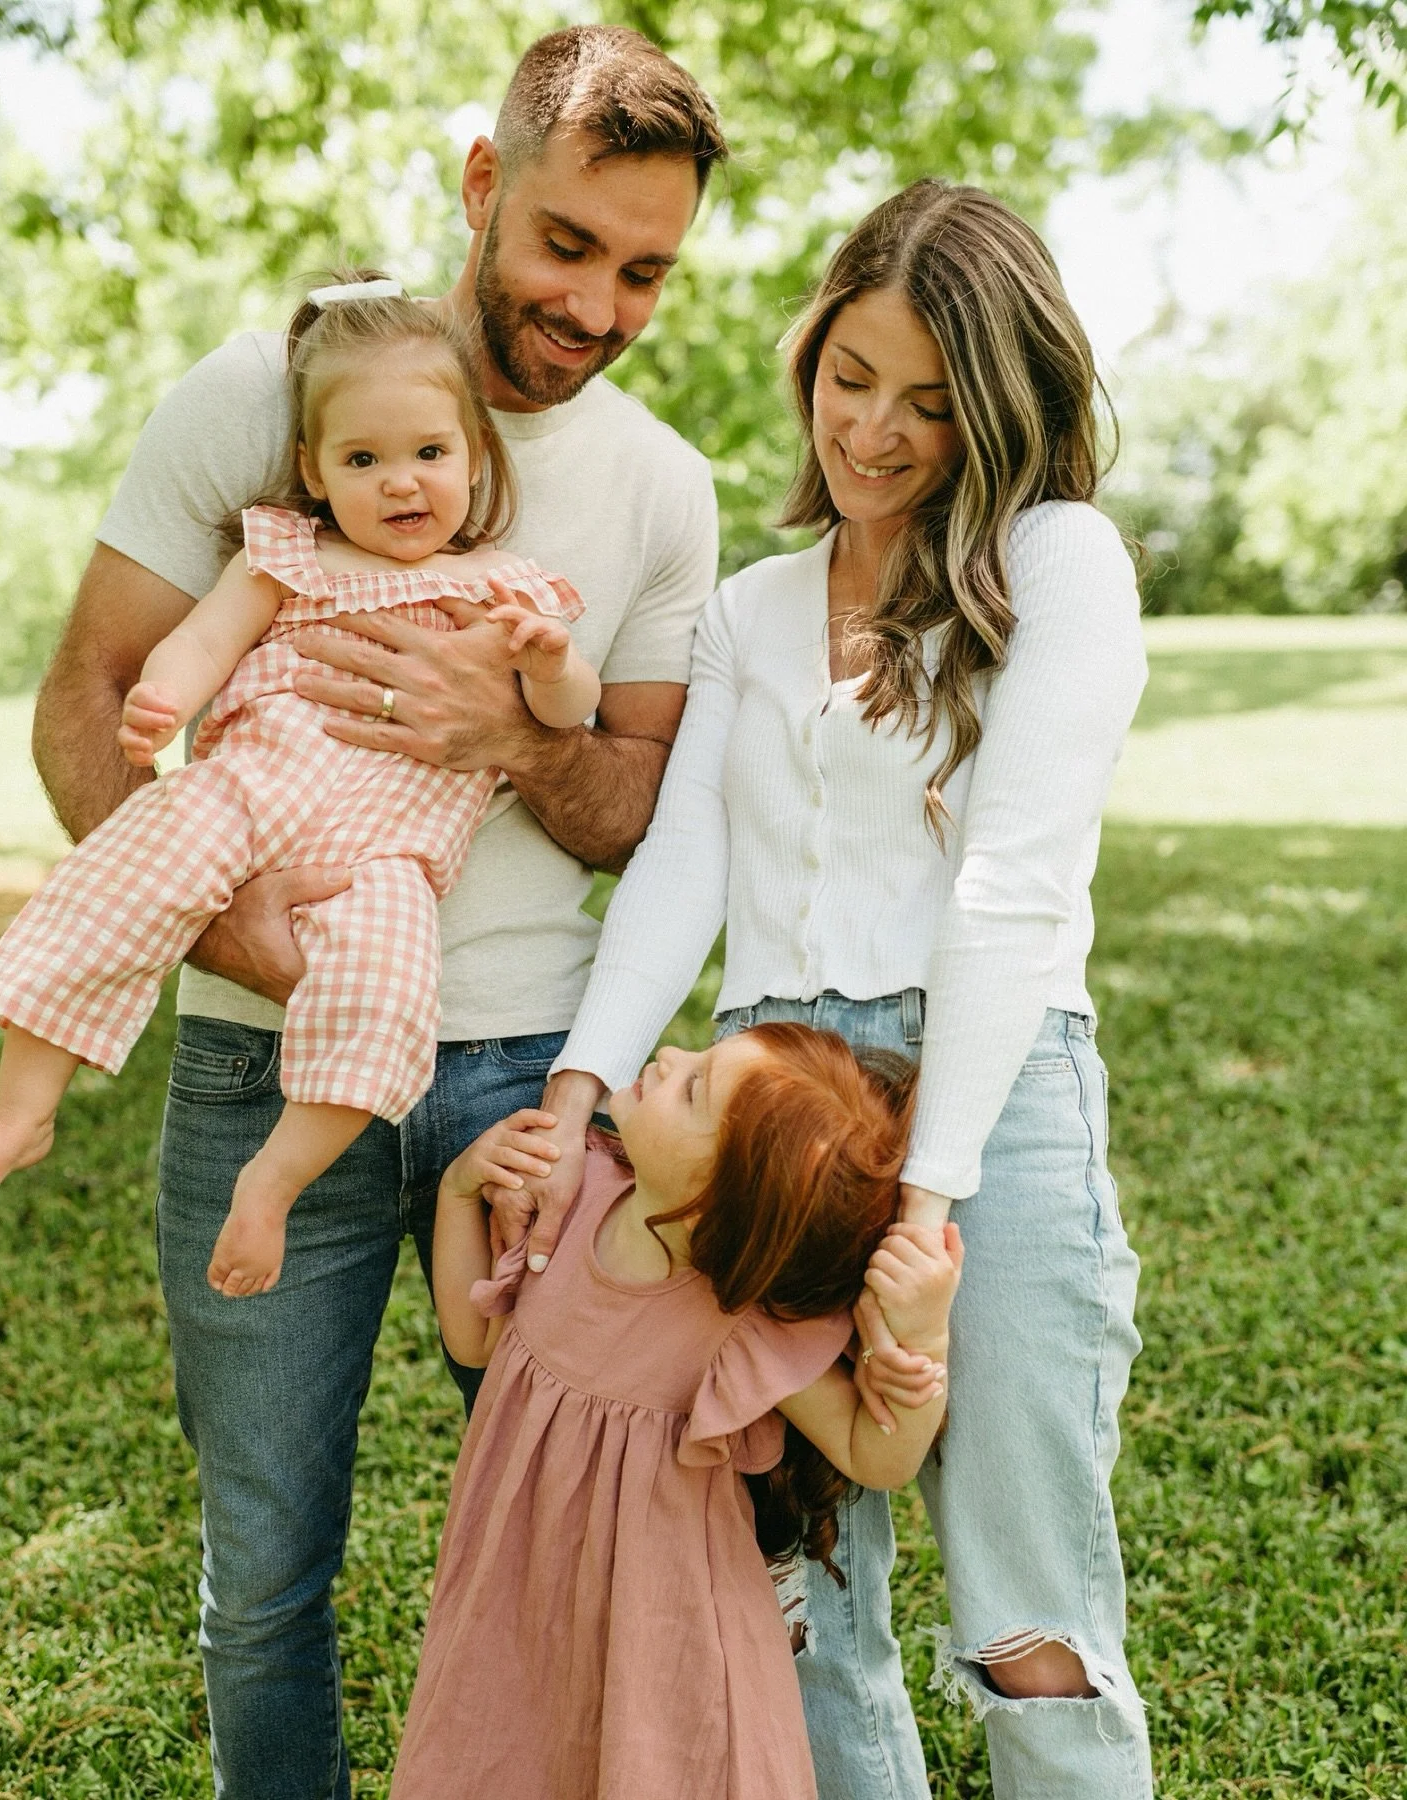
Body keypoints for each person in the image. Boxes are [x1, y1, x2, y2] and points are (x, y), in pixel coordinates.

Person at [25, 26, 726, 1797]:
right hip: (266, 1070)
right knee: (264, 1573)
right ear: (483, 188)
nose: (600, 305)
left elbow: (642, 806)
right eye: (570, 245)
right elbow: (85, 702)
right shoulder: (254, 401)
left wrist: (513, 733)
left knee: (582, 1541)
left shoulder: (660, 486)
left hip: (531, 1083)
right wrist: (252, 943)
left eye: (646, 271)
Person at [519, 181, 1153, 1799]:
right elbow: (682, 868)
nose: (875, 429)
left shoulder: (1057, 566)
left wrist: (927, 1209)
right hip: (761, 1106)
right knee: (797, 1608)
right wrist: (582, 1092)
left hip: (986, 1103)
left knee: (1029, 1622)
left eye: (932, 402)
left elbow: (1016, 888)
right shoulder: (748, 606)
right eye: (850, 376)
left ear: (1002, 406)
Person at [0, 277, 600, 1296]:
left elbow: (571, 712)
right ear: (313, 468)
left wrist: (550, 661)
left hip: (388, 854)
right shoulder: (286, 554)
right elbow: (205, 639)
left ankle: (275, 1178)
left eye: (429, 454)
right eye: (364, 459)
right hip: (252, 788)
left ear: (475, 458)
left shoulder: (503, 588)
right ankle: (16, 1114)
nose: (401, 483)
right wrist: (163, 699)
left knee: (388, 985)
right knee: (121, 875)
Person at [392, 1024, 962, 1800]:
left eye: (694, 1088)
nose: (672, 1057)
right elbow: (472, 1339)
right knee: (511, 1753)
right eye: (699, 1059)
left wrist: (923, 1336)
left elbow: (878, 1456)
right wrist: (460, 1189)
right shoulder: (570, 1197)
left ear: (720, 1198)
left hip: (664, 1632)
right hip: (516, 1599)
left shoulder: (737, 1326)